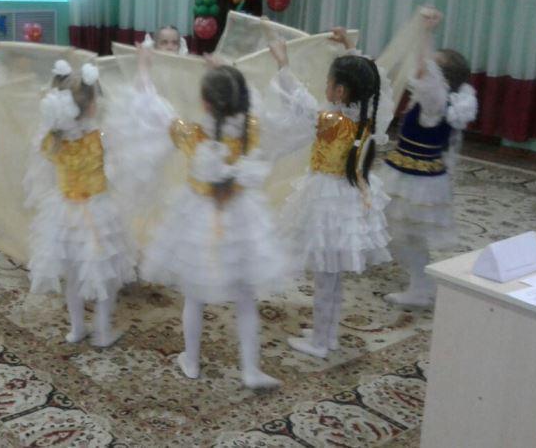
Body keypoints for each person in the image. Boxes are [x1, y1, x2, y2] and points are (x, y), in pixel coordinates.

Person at [108, 43, 289, 389]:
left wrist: (144, 65)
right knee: (246, 297)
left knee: (194, 294)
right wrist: (224, 69)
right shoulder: (250, 128)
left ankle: (190, 361)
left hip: (198, 219)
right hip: (241, 218)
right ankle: (250, 369)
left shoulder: (191, 133)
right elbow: (248, 99)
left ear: (205, 104)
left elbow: (149, 107)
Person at [266, 30, 392, 359]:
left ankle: (320, 343)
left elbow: (300, 103)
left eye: (328, 82)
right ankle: (328, 334)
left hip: (327, 203)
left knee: (325, 277)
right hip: (349, 199)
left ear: (339, 91)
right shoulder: (367, 115)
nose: (324, 87)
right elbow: (374, 79)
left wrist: (283, 64)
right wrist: (352, 49)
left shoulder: (332, 120)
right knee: (333, 278)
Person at [24, 60, 137, 347]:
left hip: (63, 215)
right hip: (98, 214)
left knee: (73, 278)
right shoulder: (100, 138)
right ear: (91, 106)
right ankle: (102, 331)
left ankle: (76, 329)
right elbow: (117, 170)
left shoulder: (52, 140)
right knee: (106, 277)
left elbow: (45, 168)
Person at [381, 8, 478, 308]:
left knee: (405, 234)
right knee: (402, 231)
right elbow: (427, 72)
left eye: (433, 67)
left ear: (441, 78)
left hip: (416, 180)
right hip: (415, 173)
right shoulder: (441, 101)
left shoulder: (434, 102)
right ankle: (420, 283)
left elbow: (426, 71)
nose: (422, 69)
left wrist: (426, 32)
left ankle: (420, 287)